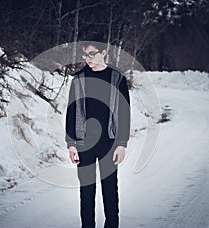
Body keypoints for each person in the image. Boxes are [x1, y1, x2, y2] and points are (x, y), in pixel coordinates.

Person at [65, 36, 130, 228]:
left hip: (108, 143)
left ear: (104, 53)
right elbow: (71, 111)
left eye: (92, 54)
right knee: (86, 191)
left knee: (110, 190)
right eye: (85, 54)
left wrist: (122, 143)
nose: (88, 58)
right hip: (84, 143)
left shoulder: (117, 78)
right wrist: (71, 144)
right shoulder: (79, 79)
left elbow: (125, 113)